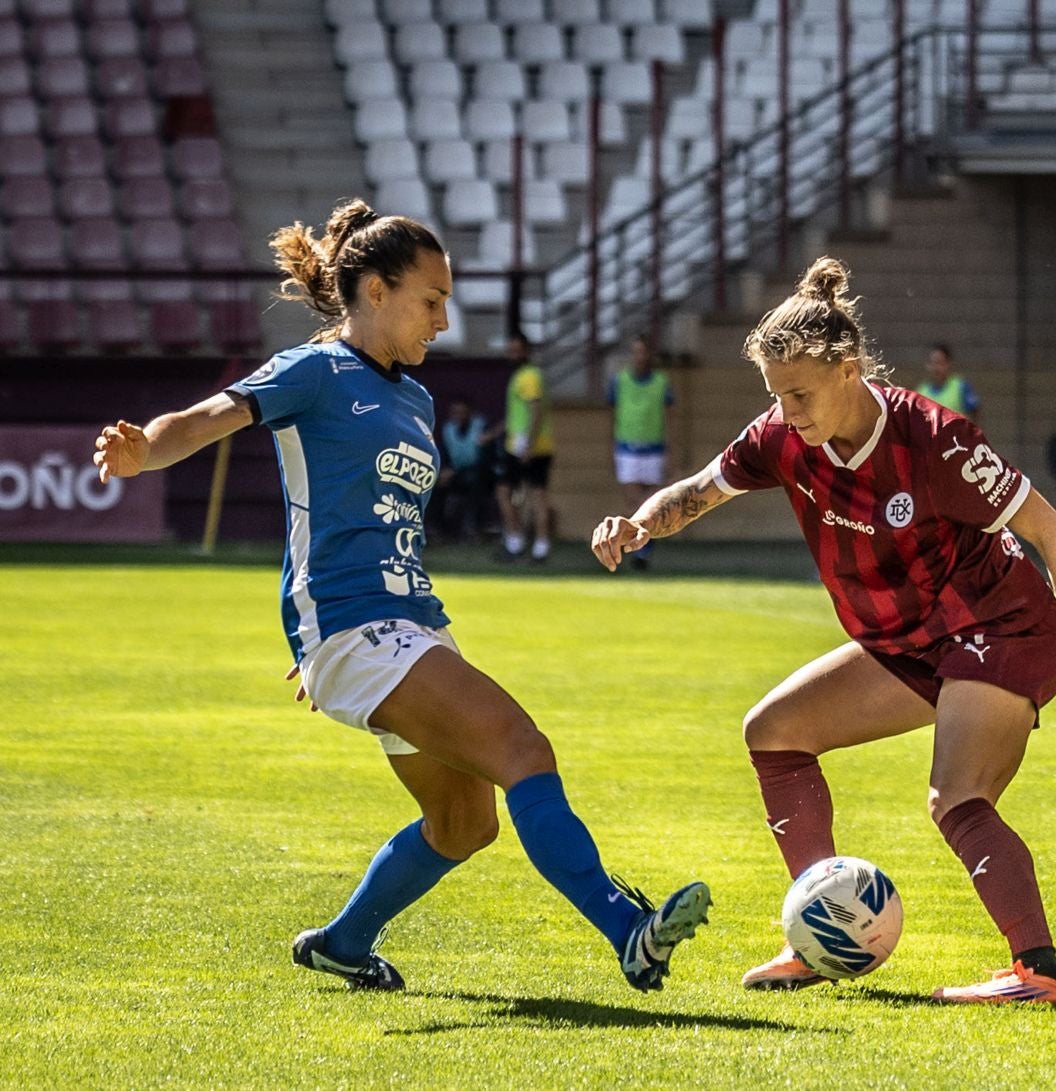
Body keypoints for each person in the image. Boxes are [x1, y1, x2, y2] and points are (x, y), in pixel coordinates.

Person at [91, 199, 708, 994]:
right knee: (524, 749)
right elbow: (210, 416)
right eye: (431, 299)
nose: (444, 321)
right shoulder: (313, 370)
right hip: (360, 629)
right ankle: (629, 931)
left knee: (466, 822)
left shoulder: (414, 400)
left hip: (402, 628)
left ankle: (343, 943)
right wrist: (146, 448)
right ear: (375, 291)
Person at [590, 257, 1056, 1006]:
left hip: (1001, 627)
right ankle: (817, 934)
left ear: (849, 368)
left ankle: (1039, 971)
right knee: (773, 730)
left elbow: (1052, 532)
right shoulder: (785, 432)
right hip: (911, 641)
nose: (788, 411)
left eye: (799, 393)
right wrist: (639, 525)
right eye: (776, 395)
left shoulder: (934, 438)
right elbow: (702, 488)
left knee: (956, 796)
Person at [608, 334, 674, 569]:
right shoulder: (620, 381)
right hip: (627, 448)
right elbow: (613, 415)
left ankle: (644, 547)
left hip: (653, 449)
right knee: (633, 501)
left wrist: (669, 451)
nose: (639, 357)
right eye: (635, 352)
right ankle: (638, 546)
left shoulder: (660, 382)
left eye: (643, 351)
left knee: (651, 501)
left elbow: (668, 419)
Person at [495, 332, 554, 562]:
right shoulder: (524, 375)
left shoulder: (528, 377)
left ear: (526, 351)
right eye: (510, 350)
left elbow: (535, 409)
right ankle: (536, 544)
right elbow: (515, 416)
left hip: (525, 446)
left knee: (512, 494)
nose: (513, 354)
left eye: (517, 349)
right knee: (531, 495)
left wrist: (529, 443)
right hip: (529, 444)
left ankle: (522, 542)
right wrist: (493, 434)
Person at [432, 396, 492, 541]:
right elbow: (444, 453)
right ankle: (440, 530)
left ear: (470, 413)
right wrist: (445, 469)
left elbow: (486, 458)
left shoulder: (480, 426)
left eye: (462, 412)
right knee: (436, 484)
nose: (459, 416)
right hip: (455, 473)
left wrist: (456, 471)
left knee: (475, 482)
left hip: (478, 472)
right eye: (456, 412)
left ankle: (473, 528)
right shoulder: (448, 429)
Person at [917, 343, 980, 419]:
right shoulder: (921, 391)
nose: (936, 368)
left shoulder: (960, 386)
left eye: (939, 363)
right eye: (932, 363)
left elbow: (974, 413)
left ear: (948, 363)